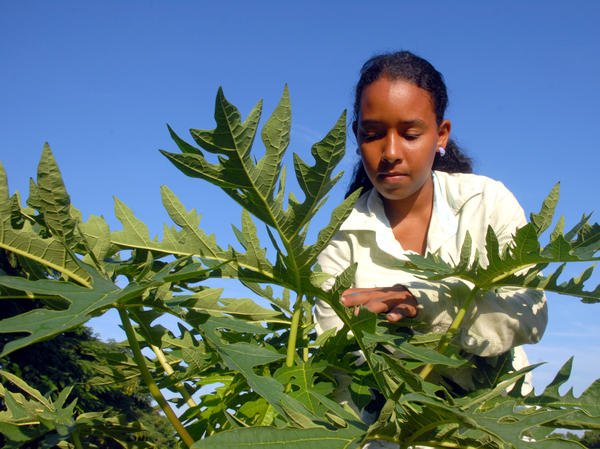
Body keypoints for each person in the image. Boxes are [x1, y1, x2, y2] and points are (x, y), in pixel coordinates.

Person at [314, 51, 548, 417]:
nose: (390, 152)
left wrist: (425, 304)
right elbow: (337, 356)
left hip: (493, 419)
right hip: (391, 430)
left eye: (409, 134)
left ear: (441, 135)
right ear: (356, 137)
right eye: (373, 135)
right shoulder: (342, 234)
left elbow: (528, 311)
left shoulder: (486, 203)